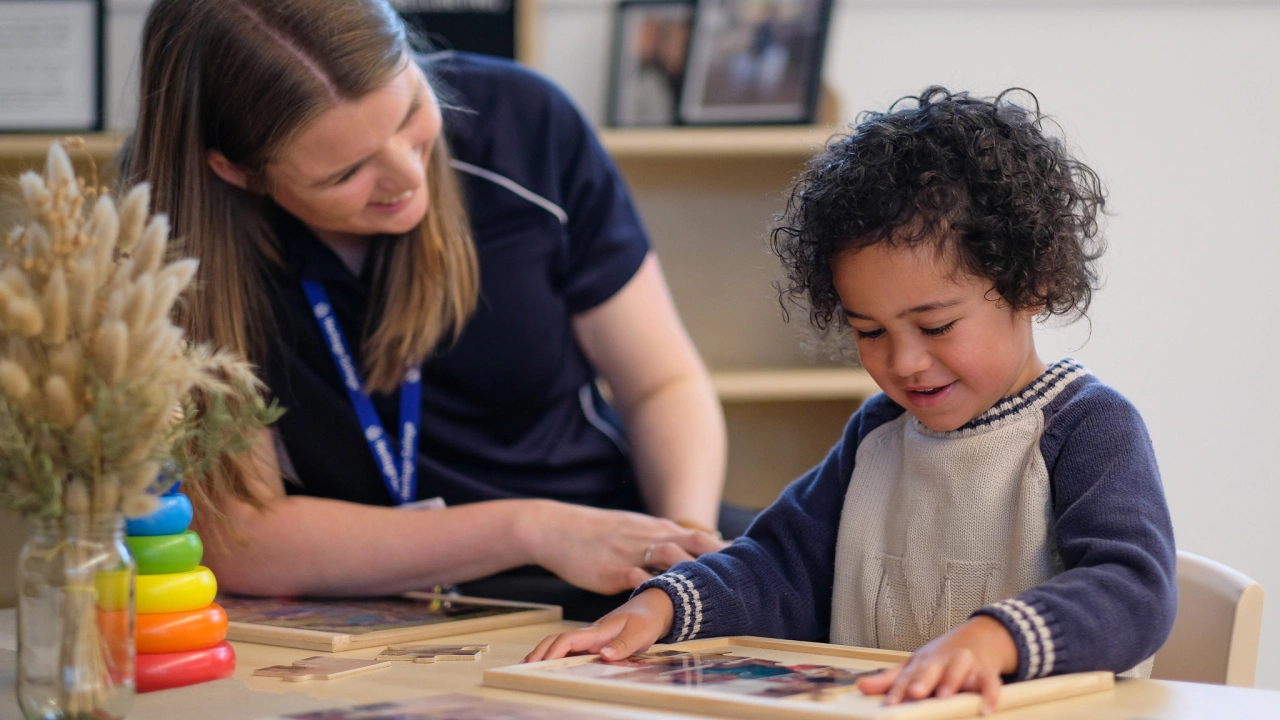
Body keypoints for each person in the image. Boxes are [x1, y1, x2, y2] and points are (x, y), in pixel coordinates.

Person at [526, 87, 1178, 708]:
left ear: (1029, 284)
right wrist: (659, 606)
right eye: (870, 331)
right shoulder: (877, 434)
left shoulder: (1086, 429)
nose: (905, 362)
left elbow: (1132, 591)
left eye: (936, 326)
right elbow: (778, 564)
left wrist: (996, 638)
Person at [121, 0, 738, 620]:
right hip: (375, 599)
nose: (405, 175)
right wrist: (529, 529)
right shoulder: (166, 243)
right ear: (236, 171)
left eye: (412, 112)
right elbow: (242, 538)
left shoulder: (526, 125)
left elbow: (663, 383)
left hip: (612, 552)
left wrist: (682, 547)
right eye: (348, 172)